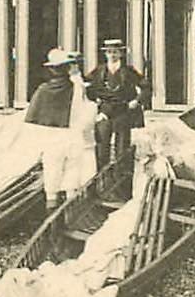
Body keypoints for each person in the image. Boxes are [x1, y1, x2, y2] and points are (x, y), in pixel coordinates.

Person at [25, 47, 96, 209]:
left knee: (51, 178)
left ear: (51, 70)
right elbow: (86, 113)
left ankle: (52, 216)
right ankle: (70, 212)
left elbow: (33, 121)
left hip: (51, 139)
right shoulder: (77, 88)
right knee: (72, 177)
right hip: (73, 136)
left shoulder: (42, 90)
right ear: (67, 68)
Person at [85, 38, 147, 170]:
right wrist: (94, 101)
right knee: (101, 149)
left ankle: (121, 185)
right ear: (105, 54)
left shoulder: (129, 71)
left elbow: (146, 87)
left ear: (121, 54)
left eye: (115, 52)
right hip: (104, 113)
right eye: (109, 52)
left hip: (123, 112)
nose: (112, 55)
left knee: (122, 150)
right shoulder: (99, 70)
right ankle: (102, 182)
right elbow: (86, 87)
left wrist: (136, 101)